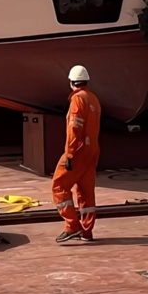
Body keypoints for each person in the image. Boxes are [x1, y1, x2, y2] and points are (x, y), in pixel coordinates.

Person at [52, 65, 101, 243]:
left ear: (72, 83)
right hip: (92, 150)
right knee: (86, 190)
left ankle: (72, 226)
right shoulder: (93, 99)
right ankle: (86, 231)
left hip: (78, 150)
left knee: (59, 186)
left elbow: (74, 127)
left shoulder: (77, 100)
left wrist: (70, 154)